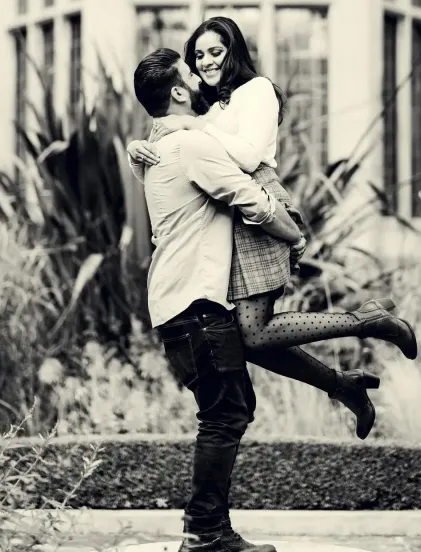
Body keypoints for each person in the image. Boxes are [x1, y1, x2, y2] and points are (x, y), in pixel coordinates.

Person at [128, 17, 418, 441]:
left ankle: (366, 321)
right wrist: (139, 150)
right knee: (248, 339)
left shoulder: (256, 90)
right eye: (199, 56)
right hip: (237, 215)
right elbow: (178, 162)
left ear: (235, 52)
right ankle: (345, 385)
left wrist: (194, 126)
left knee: (255, 333)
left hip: (259, 202)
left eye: (216, 51)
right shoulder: (210, 105)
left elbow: (244, 157)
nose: (206, 62)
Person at [133, 47, 311, 552]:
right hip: (194, 306)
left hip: (179, 304)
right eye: (192, 71)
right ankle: (206, 533)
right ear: (178, 91)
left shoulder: (164, 145)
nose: (200, 75)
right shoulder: (190, 145)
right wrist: (294, 236)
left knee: (229, 408)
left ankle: (207, 530)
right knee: (225, 413)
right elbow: (251, 200)